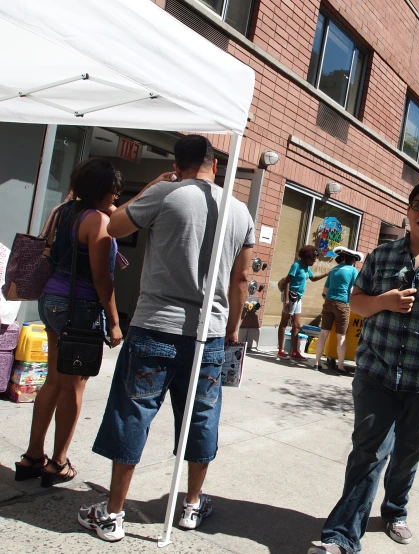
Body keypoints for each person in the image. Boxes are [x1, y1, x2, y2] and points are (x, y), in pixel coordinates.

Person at [77, 135, 255, 542]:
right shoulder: (241, 212)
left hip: (156, 325)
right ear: (215, 164)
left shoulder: (166, 194)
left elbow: (115, 226)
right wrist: (230, 329)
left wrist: (152, 187)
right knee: (202, 416)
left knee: (133, 412)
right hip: (207, 336)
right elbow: (242, 279)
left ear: (179, 164)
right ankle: (191, 505)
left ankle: (113, 514)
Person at [308, 182, 419, 554]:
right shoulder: (381, 256)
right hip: (378, 372)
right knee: (369, 451)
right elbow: (356, 302)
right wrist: (384, 301)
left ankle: (395, 509)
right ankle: (340, 537)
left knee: (408, 451)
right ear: (407, 210)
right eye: (417, 205)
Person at [15, 159, 124, 486]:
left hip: (51, 301)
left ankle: (33, 456)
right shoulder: (97, 222)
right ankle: (58, 463)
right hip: (79, 308)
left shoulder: (64, 212)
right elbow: (101, 277)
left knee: (53, 380)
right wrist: (115, 321)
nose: (116, 196)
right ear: (103, 191)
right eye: (114, 190)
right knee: (74, 386)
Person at [314, 247, 362, 374]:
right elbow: (354, 290)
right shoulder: (353, 270)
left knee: (323, 334)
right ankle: (340, 366)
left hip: (328, 302)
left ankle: (317, 363)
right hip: (342, 304)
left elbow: (324, 291)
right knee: (341, 337)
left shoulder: (333, 270)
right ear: (353, 261)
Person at [278, 245, 329, 359]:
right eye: (312, 259)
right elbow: (287, 282)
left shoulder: (307, 267)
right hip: (290, 296)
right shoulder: (296, 265)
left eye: (315, 259)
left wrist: (326, 274)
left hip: (298, 298)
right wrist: (286, 301)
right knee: (284, 322)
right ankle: (280, 350)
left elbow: (313, 278)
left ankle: (295, 351)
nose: (314, 261)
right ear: (305, 257)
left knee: (296, 325)